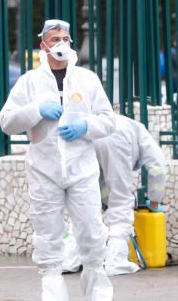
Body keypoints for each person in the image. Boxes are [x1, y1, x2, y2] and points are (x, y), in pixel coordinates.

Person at [0, 18, 116, 301]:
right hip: (44, 171)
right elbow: (7, 121)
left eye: (65, 38)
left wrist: (85, 126)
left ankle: (98, 292)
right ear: (43, 45)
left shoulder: (87, 80)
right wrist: (35, 110)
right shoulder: (29, 82)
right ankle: (53, 300)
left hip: (82, 170)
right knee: (48, 236)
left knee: (91, 231)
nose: (61, 43)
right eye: (54, 39)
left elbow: (108, 120)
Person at [63, 113, 168, 275]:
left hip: (87, 135)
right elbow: (158, 166)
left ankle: (69, 260)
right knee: (121, 201)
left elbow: (102, 184)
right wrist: (154, 202)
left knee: (82, 201)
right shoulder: (138, 130)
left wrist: (105, 202)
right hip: (114, 137)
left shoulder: (122, 123)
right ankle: (116, 261)